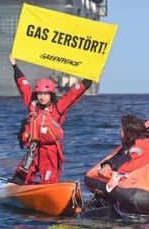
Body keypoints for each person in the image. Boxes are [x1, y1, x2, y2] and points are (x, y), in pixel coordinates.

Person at [9, 55, 92, 184]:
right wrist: (14, 66)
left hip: (50, 152)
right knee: (19, 178)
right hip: (33, 150)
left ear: (51, 95)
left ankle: (47, 192)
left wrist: (90, 79)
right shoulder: (33, 105)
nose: (42, 97)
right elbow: (23, 86)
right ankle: (17, 188)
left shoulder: (58, 108)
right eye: (39, 94)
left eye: (45, 94)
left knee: (48, 181)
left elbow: (73, 95)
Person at [96, 114, 149, 178]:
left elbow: (121, 168)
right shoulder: (141, 142)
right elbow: (116, 158)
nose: (119, 132)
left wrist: (107, 171)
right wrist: (107, 165)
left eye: (121, 130)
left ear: (128, 133)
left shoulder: (139, 148)